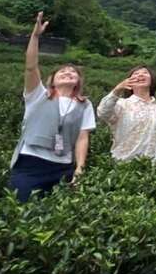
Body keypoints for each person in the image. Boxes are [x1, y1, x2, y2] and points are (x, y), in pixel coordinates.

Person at [9, 12, 96, 202]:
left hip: (62, 166)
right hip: (30, 163)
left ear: (78, 81)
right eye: (62, 72)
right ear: (53, 80)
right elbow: (31, 67)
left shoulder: (84, 104)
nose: (68, 72)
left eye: (73, 72)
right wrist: (35, 36)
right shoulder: (38, 94)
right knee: (21, 210)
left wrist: (79, 167)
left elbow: (82, 137)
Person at [97, 65, 156, 163]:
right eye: (136, 74)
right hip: (125, 164)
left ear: (152, 79)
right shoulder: (121, 104)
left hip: (154, 167)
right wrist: (117, 90)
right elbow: (102, 112)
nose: (140, 75)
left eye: (145, 73)